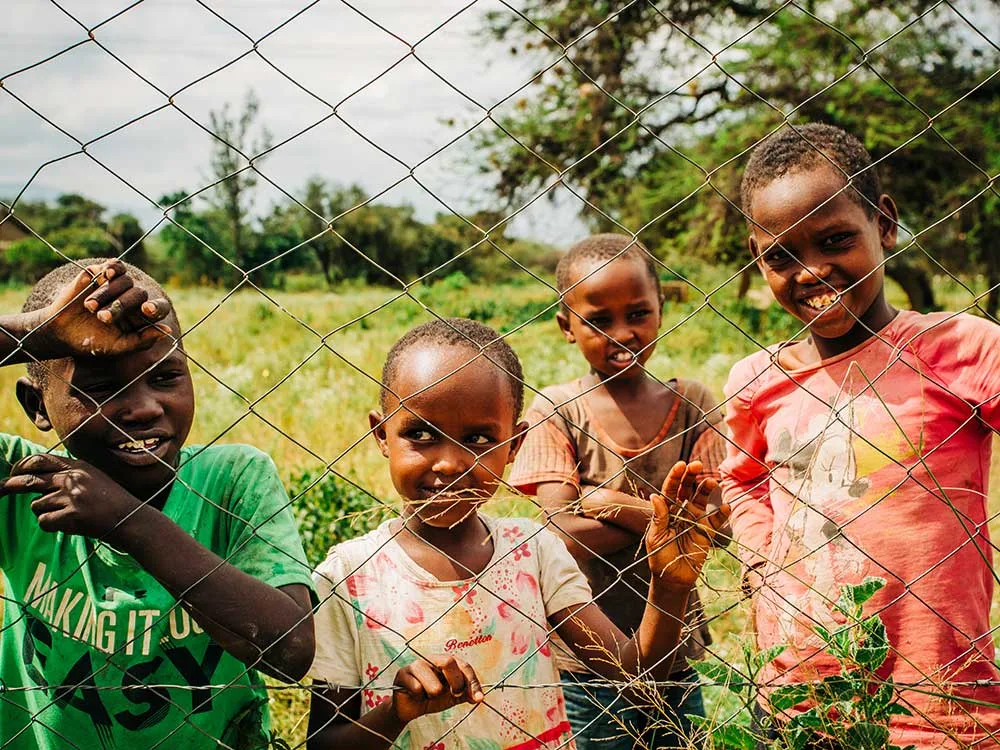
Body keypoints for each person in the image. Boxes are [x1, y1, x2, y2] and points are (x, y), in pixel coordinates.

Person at [306, 318, 726, 750]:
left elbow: (633, 672)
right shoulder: (348, 578)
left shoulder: (533, 552)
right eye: (420, 434)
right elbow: (323, 742)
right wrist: (396, 713)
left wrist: (670, 585)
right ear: (382, 435)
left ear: (514, 445)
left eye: (478, 438)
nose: (450, 464)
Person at [722, 123, 1000, 747]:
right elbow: (741, 482)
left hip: (936, 697)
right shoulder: (756, 380)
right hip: (800, 695)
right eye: (781, 256)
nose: (812, 272)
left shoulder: (956, 348)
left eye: (836, 240)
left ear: (886, 224)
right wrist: (765, 561)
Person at [0, 258, 316, 750]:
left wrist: (130, 523)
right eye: (102, 388)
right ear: (37, 405)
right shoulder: (21, 481)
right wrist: (37, 335)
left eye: (165, 377)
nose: (144, 407)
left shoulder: (232, 479)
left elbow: (290, 651)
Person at [508, 233, 727, 750]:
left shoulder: (692, 403)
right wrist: (668, 522)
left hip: (674, 652)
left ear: (661, 310)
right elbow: (559, 535)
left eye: (638, 313)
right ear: (566, 326)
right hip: (587, 660)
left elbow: (719, 525)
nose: (622, 333)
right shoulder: (557, 412)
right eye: (598, 321)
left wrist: (613, 505)